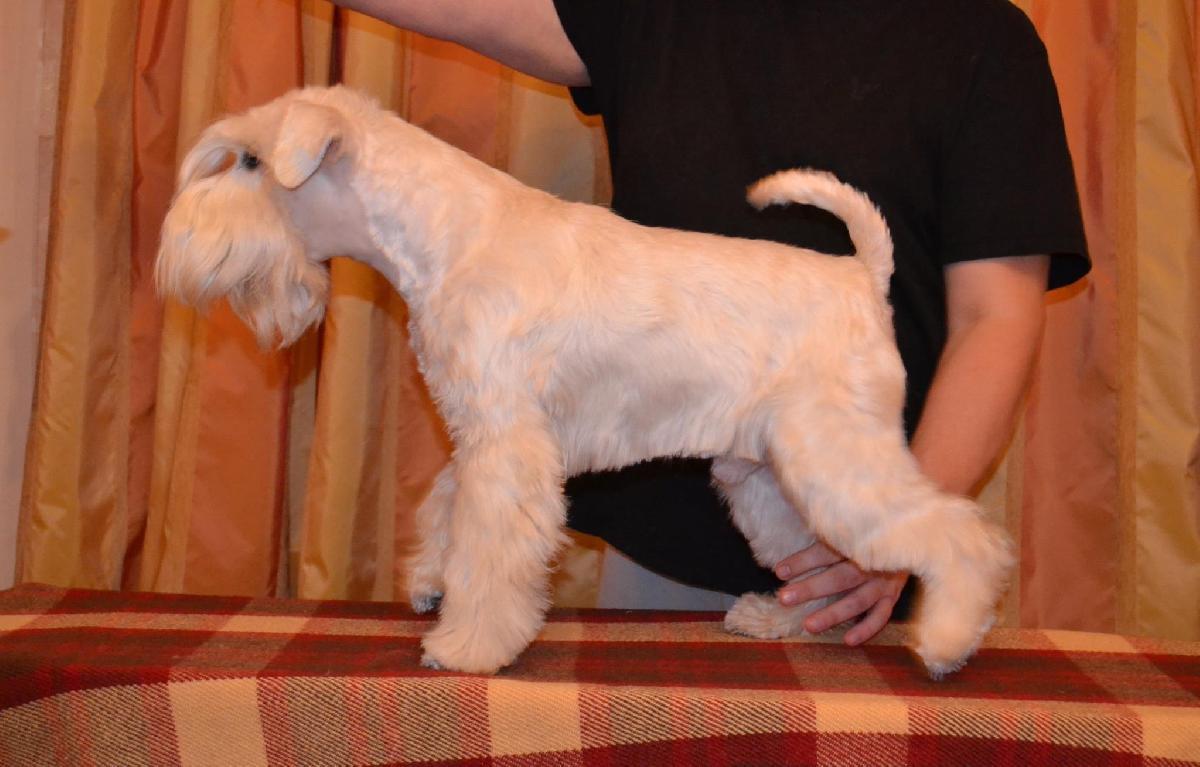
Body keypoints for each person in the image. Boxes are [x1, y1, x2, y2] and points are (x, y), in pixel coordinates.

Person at [334, 0, 1089, 646]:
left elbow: (995, 317)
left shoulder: (985, 38)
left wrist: (893, 532)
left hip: (850, 566)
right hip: (660, 552)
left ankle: (940, 550)